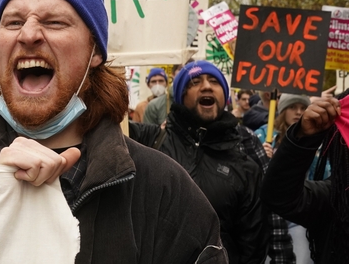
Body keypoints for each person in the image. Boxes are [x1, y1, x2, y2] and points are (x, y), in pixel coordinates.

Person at [0, 0, 226, 263]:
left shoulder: (161, 189)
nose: (28, 34)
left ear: (95, 51)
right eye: (12, 22)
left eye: (54, 22)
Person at [130, 61, 269, 263]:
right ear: (180, 95)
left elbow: (253, 246)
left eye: (214, 81)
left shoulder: (245, 165)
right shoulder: (150, 141)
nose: (206, 86)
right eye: (195, 82)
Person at [262, 90, 347, 263]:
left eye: (302, 106)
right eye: (293, 107)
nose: (298, 112)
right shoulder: (337, 198)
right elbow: (279, 195)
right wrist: (303, 138)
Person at [254, 93, 310, 158]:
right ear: (283, 111)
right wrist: (261, 157)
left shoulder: (311, 138)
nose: (298, 112)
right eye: (292, 107)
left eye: (303, 108)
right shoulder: (263, 135)